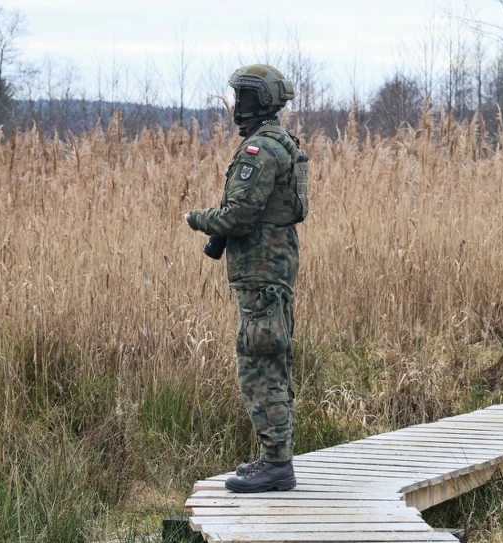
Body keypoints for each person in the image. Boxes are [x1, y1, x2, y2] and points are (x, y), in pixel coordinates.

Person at [184, 64, 308, 493]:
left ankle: (277, 465)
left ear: (258, 100)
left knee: (259, 367)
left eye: (242, 97)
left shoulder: (260, 150)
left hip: (261, 275)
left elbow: (238, 215)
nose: (237, 105)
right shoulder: (281, 142)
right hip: (272, 272)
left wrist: (197, 218)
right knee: (271, 362)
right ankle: (274, 458)